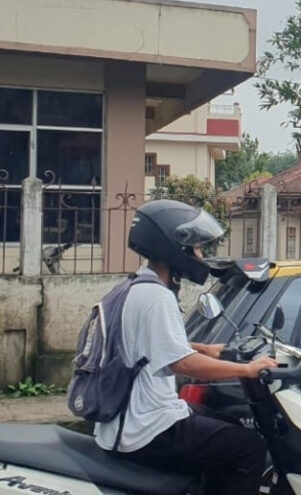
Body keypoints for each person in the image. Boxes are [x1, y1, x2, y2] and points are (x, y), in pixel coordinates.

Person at [95, 199, 277, 495]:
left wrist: (204, 348)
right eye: (195, 248)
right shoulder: (157, 297)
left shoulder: (133, 287)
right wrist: (247, 369)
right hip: (147, 428)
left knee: (228, 422)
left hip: (127, 421)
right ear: (172, 246)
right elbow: (183, 364)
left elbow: (149, 342)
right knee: (249, 448)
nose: (200, 255)